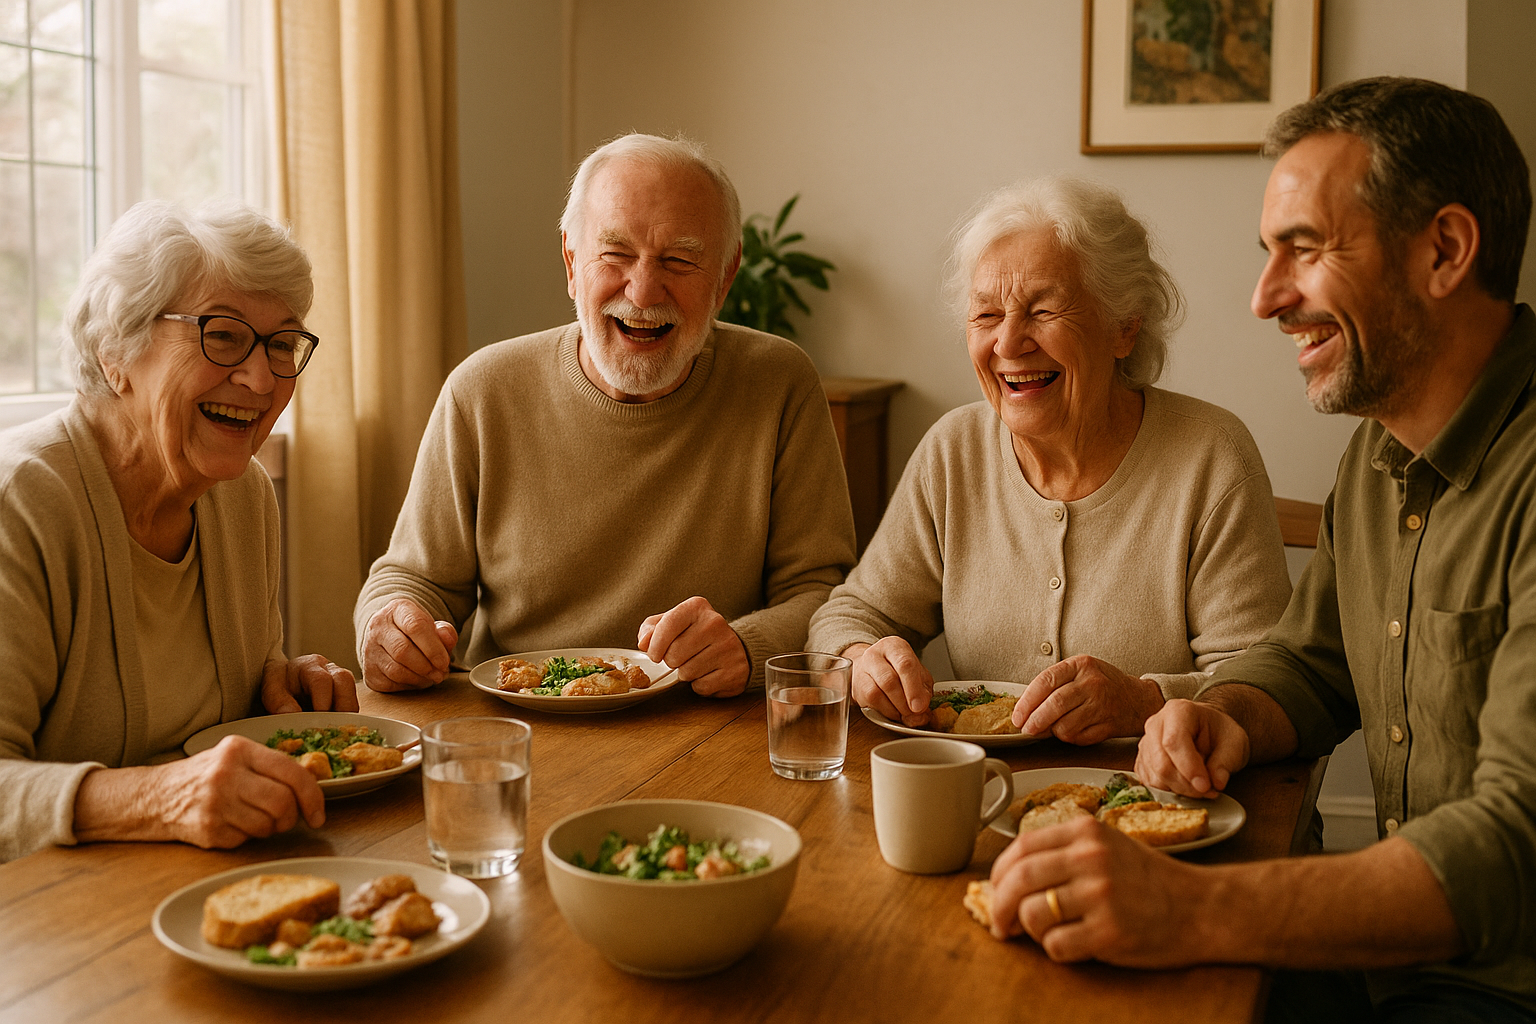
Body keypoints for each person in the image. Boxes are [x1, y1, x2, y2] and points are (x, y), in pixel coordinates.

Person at [986, 78, 1536, 1021]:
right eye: (1267, 255)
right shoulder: (1379, 452)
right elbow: (1315, 665)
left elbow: (1514, 850)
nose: (1265, 297)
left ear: (1444, 250)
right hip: (1380, 962)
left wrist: (1185, 906)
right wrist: (1229, 713)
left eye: (1307, 250)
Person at [355, 134, 856, 696]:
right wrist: (392, 627)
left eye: (680, 260)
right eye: (615, 254)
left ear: (725, 277)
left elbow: (822, 591)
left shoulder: (780, 382)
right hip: (521, 721)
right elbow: (412, 577)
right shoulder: (483, 389)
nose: (642, 292)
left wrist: (747, 644)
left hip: (702, 725)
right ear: (572, 260)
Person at [808, 177, 1291, 744]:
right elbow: (846, 617)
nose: (1009, 343)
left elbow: (1268, 684)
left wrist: (1145, 703)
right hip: (983, 800)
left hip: (1151, 806)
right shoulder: (953, 450)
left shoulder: (1211, 456)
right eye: (986, 316)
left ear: (1124, 326)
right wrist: (864, 655)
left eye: (1041, 310)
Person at [0, 200, 359, 863]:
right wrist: (160, 797)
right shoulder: (21, 502)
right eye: (222, 335)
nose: (259, 378)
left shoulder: (243, 496)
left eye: (281, 344)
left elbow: (212, 717)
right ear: (117, 352)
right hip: (49, 928)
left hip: (214, 880)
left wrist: (281, 682)